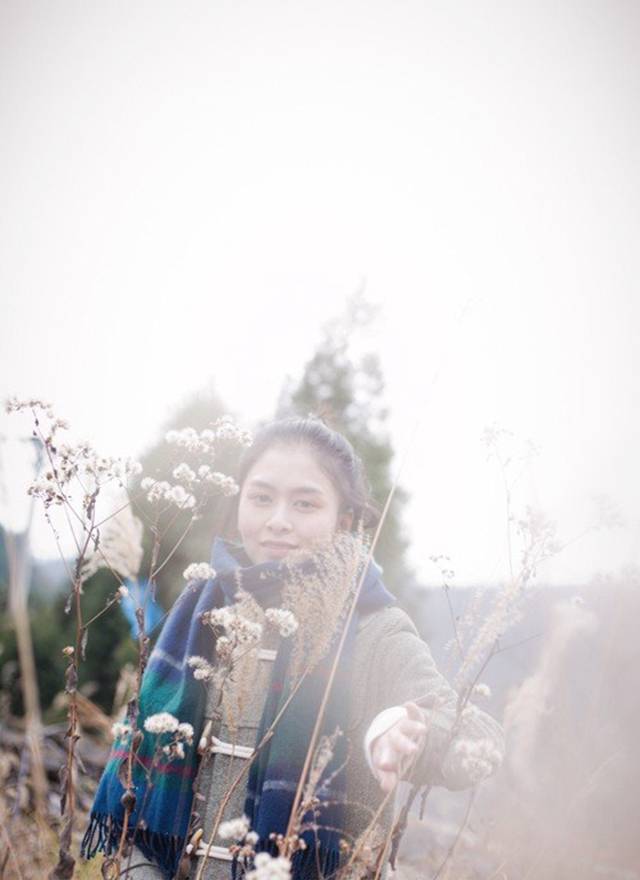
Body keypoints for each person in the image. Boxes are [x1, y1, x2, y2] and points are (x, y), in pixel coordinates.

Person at [82, 417, 504, 880]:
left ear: (344, 519)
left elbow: (479, 735)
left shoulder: (372, 626)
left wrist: (407, 731)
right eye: (261, 498)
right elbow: (140, 783)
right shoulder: (199, 606)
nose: (278, 521)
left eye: (305, 503)